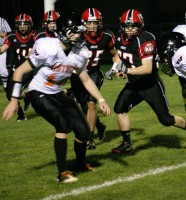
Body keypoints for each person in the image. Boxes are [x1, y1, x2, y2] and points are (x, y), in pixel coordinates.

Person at [2, 12, 111, 183]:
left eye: (80, 31)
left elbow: (86, 79)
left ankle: (80, 164)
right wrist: (15, 100)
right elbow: (19, 71)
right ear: (64, 31)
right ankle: (62, 173)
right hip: (39, 93)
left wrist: (101, 99)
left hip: (58, 92)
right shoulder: (47, 47)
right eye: (74, 31)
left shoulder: (80, 52)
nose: (78, 35)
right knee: (63, 125)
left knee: (83, 132)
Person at [111, 9, 186, 154]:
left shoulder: (145, 38)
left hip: (150, 84)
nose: (130, 29)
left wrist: (126, 70)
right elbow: (116, 55)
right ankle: (126, 144)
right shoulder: (118, 38)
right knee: (120, 108)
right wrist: (116, 66)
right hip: (134, 84)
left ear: (140, 25)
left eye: (133, 26)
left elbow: (147, 68)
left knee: (166, 120)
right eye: (127, 26)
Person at [68, 7, 119, 149]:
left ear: (100, 23)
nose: (92, 26)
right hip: (77, 75)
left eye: (95, 23)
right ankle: (100, 127)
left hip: (94, 73)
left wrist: (115, 68)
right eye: (89, 23)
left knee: (91, 104)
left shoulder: (107, 36)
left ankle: (89, 138)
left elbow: (115, 54)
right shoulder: (78, 35)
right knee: (85, 107)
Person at [0, 13, 36, 121]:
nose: (23, 27)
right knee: (9, 95)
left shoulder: (35, 36)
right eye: (20, 24)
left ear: (30, 25)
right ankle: (24, 105)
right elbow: (2, 49)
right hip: (16, 70)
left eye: (25, 24)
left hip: (28, 70)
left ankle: (21, 112)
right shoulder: (12, 36)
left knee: (16, 91)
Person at [0, 17, 12, 91]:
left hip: (1, 48)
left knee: (3, 71)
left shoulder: (2, 21)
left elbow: (10, 35)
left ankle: (6, 87)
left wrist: (0, 34)